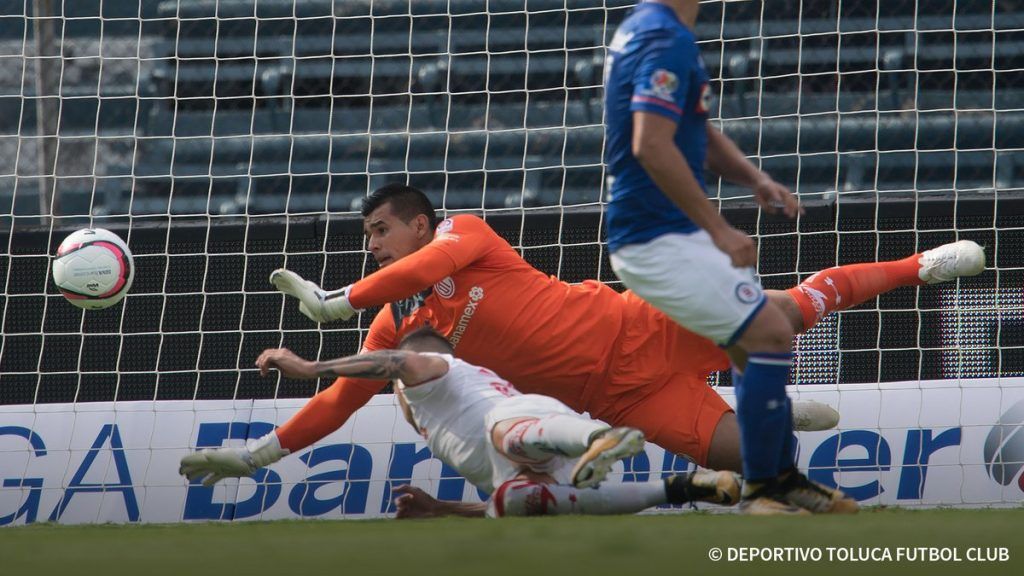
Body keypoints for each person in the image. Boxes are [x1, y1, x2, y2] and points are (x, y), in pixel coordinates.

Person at [262, 182, 982, 501]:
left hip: (640, 325)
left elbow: (429, 267)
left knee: (788, 314)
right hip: (621, 397)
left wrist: (336, 302)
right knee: (760, 459)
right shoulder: (396, 325)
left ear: (418, 224)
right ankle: (771, 410)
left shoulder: (462, 235)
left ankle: (914, 266)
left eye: (380, 232)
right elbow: (337, 404)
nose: (375, 248)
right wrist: (256, 454)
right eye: (366, 241)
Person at [600, 0, 985, 514]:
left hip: (665, 233)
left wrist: (753, 177)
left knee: (759, 337)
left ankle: (781, 480)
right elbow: (651, 144)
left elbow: (692, 130)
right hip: (655, 236)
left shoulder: (653, 30)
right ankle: (766, 486)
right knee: (770, 331)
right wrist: (718, 229)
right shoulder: (663, 37)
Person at [180, 327, 743, 518]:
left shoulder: (437, 369)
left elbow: (397, 360)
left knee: (504, 429)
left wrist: (309, 366)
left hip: (534, 423)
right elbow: (490, 497)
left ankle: (601, 439)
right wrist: (442, 508)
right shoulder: (438, 422)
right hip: (541, 461)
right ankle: (680, 487)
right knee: (507, 504)